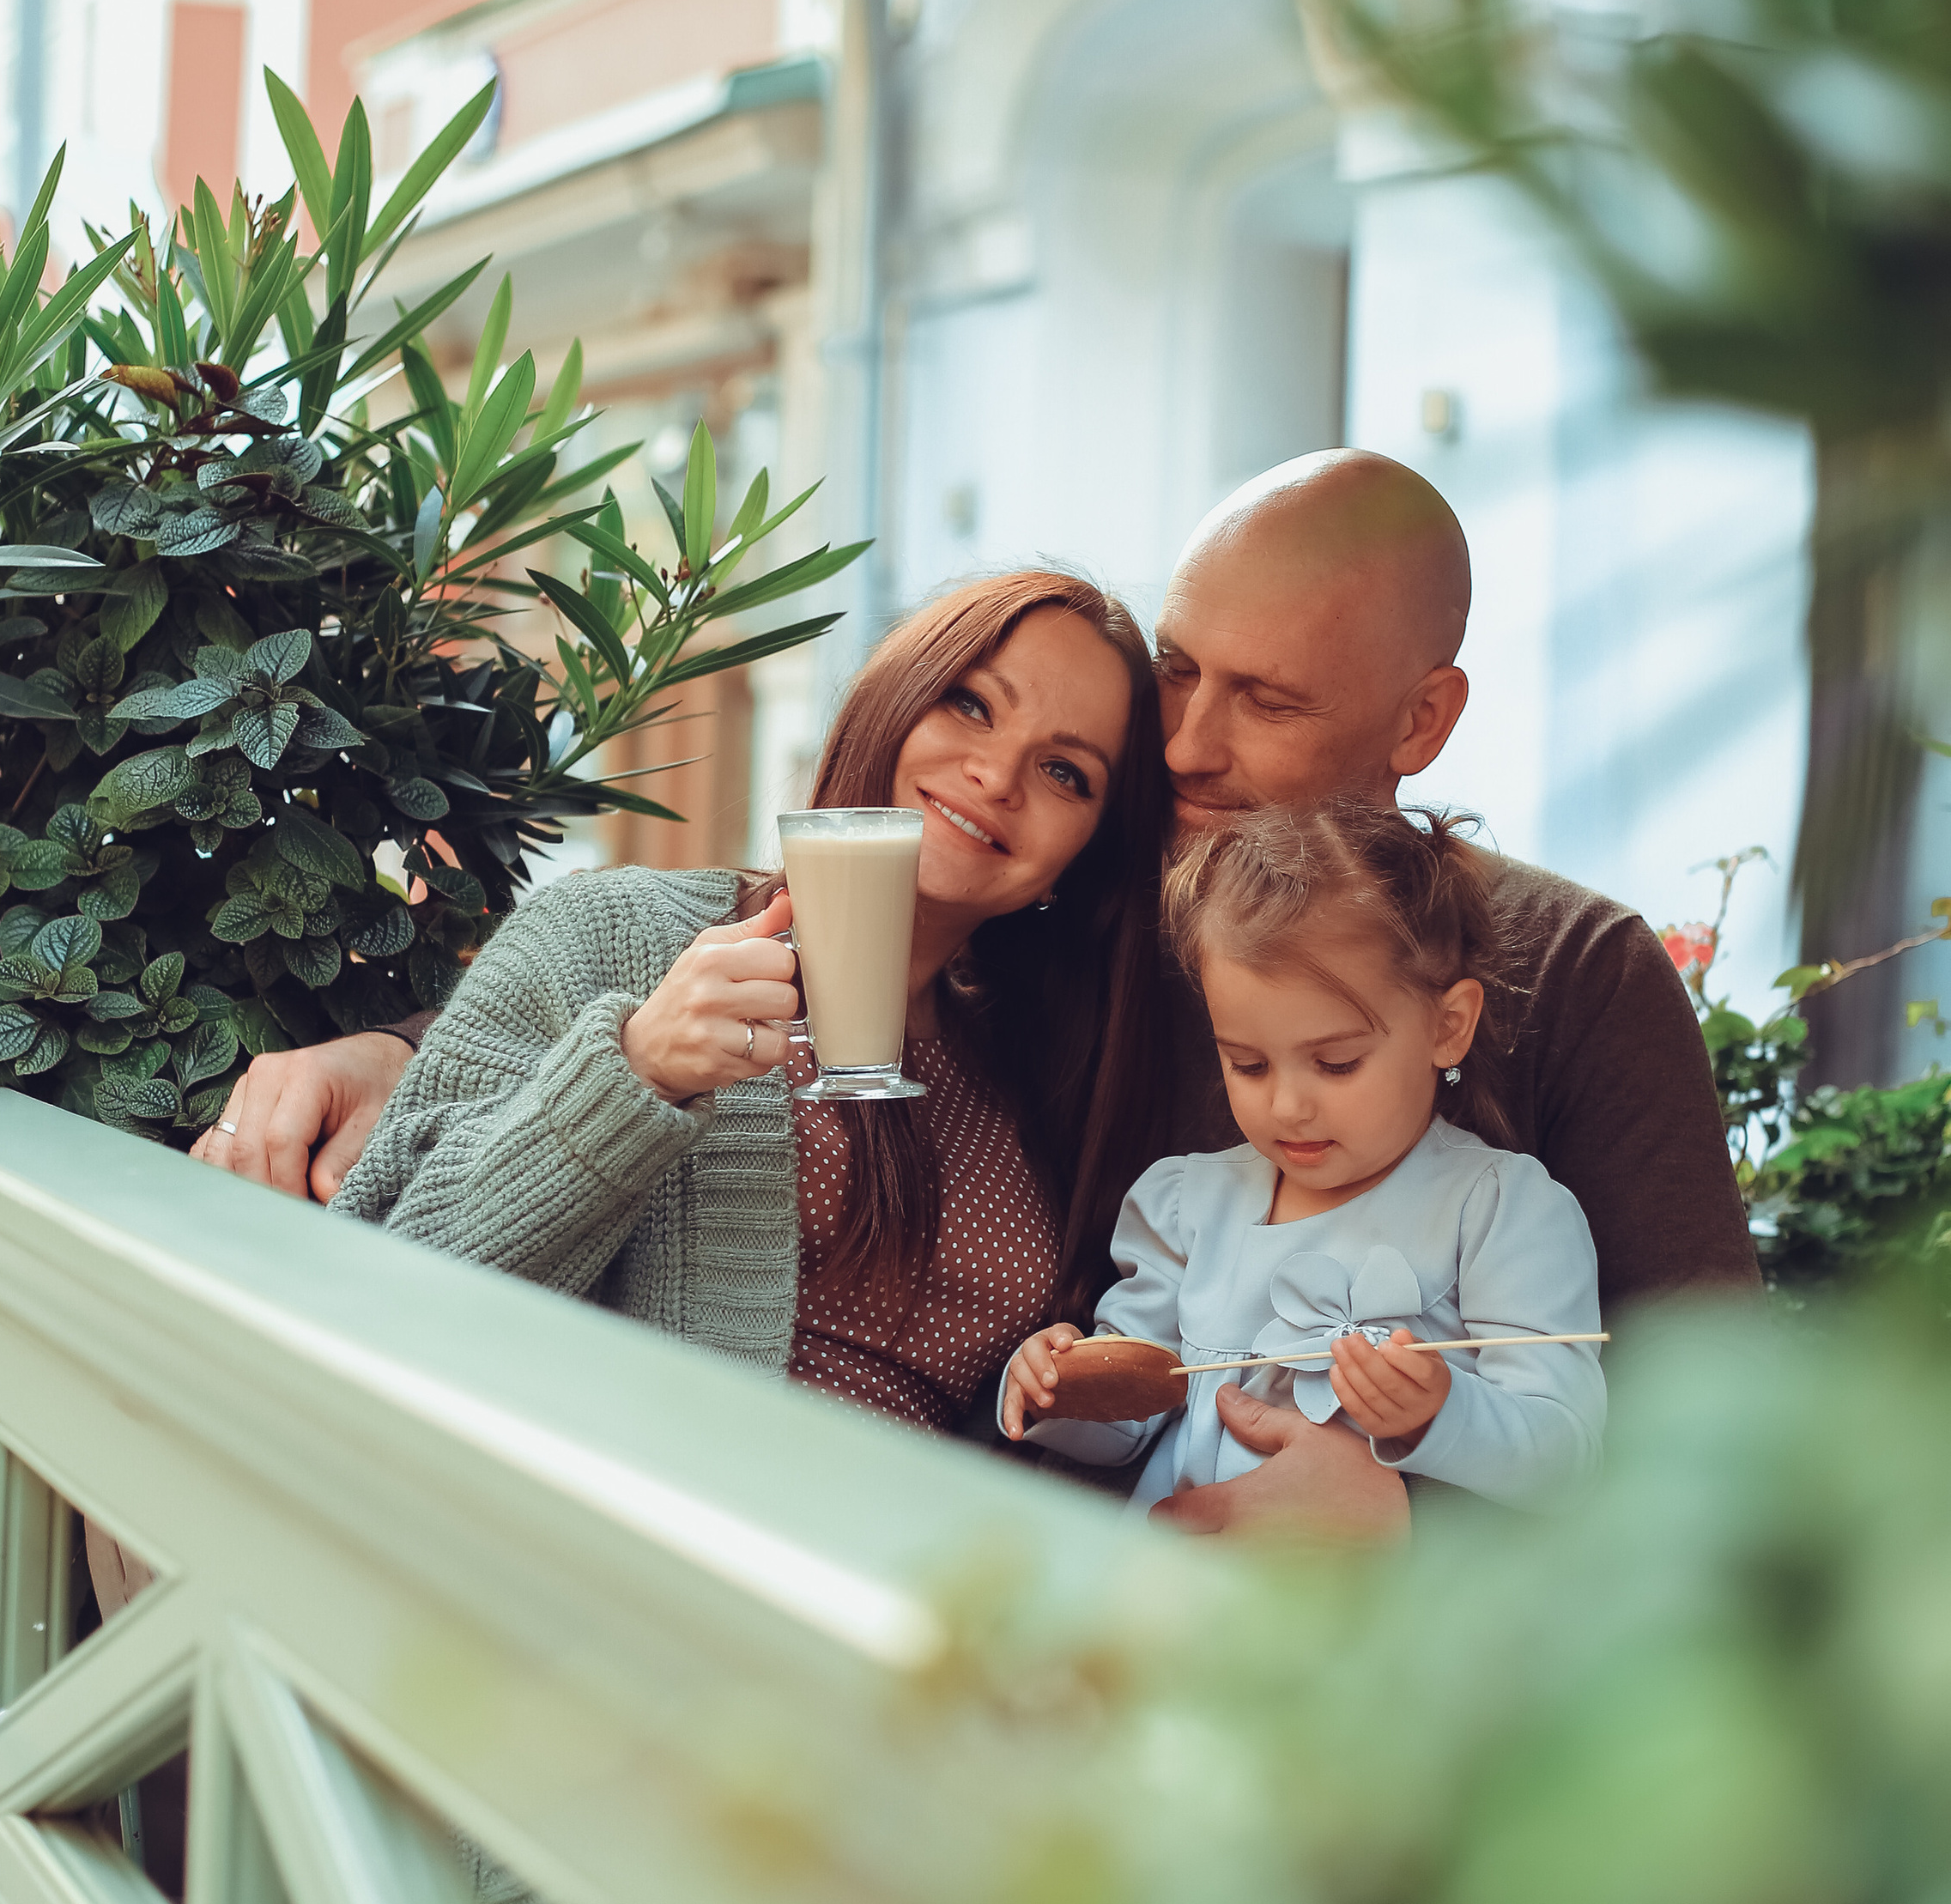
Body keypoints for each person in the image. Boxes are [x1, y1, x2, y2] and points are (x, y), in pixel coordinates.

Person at [201, 449, 1755, 1535]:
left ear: (1424, 718)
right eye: (1181, 675)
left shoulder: (1571, 976)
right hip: (835, 1607)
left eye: (1267, 703)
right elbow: (800, 920)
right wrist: (395, 1048)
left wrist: (1412, 1537)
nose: (1193, 747)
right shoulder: (1086, 917)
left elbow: (1719, 1459)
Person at [322, 571, 1170, 1433]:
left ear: (1083, 860)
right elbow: (383, 1286)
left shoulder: (1045, 1079)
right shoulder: (612, 933)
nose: (996, 775)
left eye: (1066, 772)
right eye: (970, 705)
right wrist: (639, 1071)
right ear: (892, 698)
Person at [1003, 800, 1605, 1507]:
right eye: (1249, 1065)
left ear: (1448, 1027)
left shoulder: (1499, 1210)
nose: (1287, 1106)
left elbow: (1568, 1455)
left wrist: (1441, 1414)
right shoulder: (1187, 1206)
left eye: (1337, 1063)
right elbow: (1130, 1421)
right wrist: (1057, 1388)